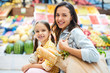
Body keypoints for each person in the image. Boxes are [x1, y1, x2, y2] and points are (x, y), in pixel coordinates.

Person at [51, 1, 100, 73]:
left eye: (64, 15)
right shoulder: (61, 33)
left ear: (71, 17)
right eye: (57, 15)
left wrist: (67, 48)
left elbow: (94, 55)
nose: (59, 18)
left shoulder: (75, 32)